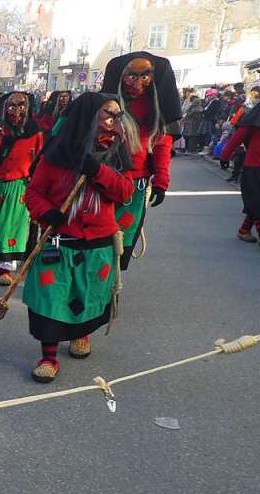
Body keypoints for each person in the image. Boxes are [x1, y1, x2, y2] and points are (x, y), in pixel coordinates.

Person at [23, 93, 132, 383]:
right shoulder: (56, 154)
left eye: (117, 116)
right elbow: (33, 193)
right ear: (88, 117)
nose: (113, 122)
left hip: (98, 243)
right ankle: (48, 356)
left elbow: (124, 193)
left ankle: (80, 333)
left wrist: (98, 171)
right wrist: (48, 213)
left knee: (86, 294)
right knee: (50, 297)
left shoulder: (118, 154)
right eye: (108, 115)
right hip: (60, 241)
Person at [100, 51, 181, 270]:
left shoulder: (156, 110)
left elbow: (162, 143)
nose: (137, 83)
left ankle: (112, 284)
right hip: (102, 181)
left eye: (144, 76)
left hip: (135, 185)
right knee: (96, 236)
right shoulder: (104, 107)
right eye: (131, 76)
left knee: (123, 238)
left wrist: (162, 180)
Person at [0, 92, 43, 286]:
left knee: (11, 228)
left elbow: (40, 160)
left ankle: (6, 269)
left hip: (18, 186)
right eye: (12, 106)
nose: (16, 111)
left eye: (22, 106)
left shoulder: (35, 133)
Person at [223, 94, 260, 243]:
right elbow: (236, 138)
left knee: (255, 203)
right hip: (254, 168)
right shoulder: (253, 123)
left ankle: (244, 230)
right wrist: (225, 156)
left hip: (254, 167)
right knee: (256, 203)